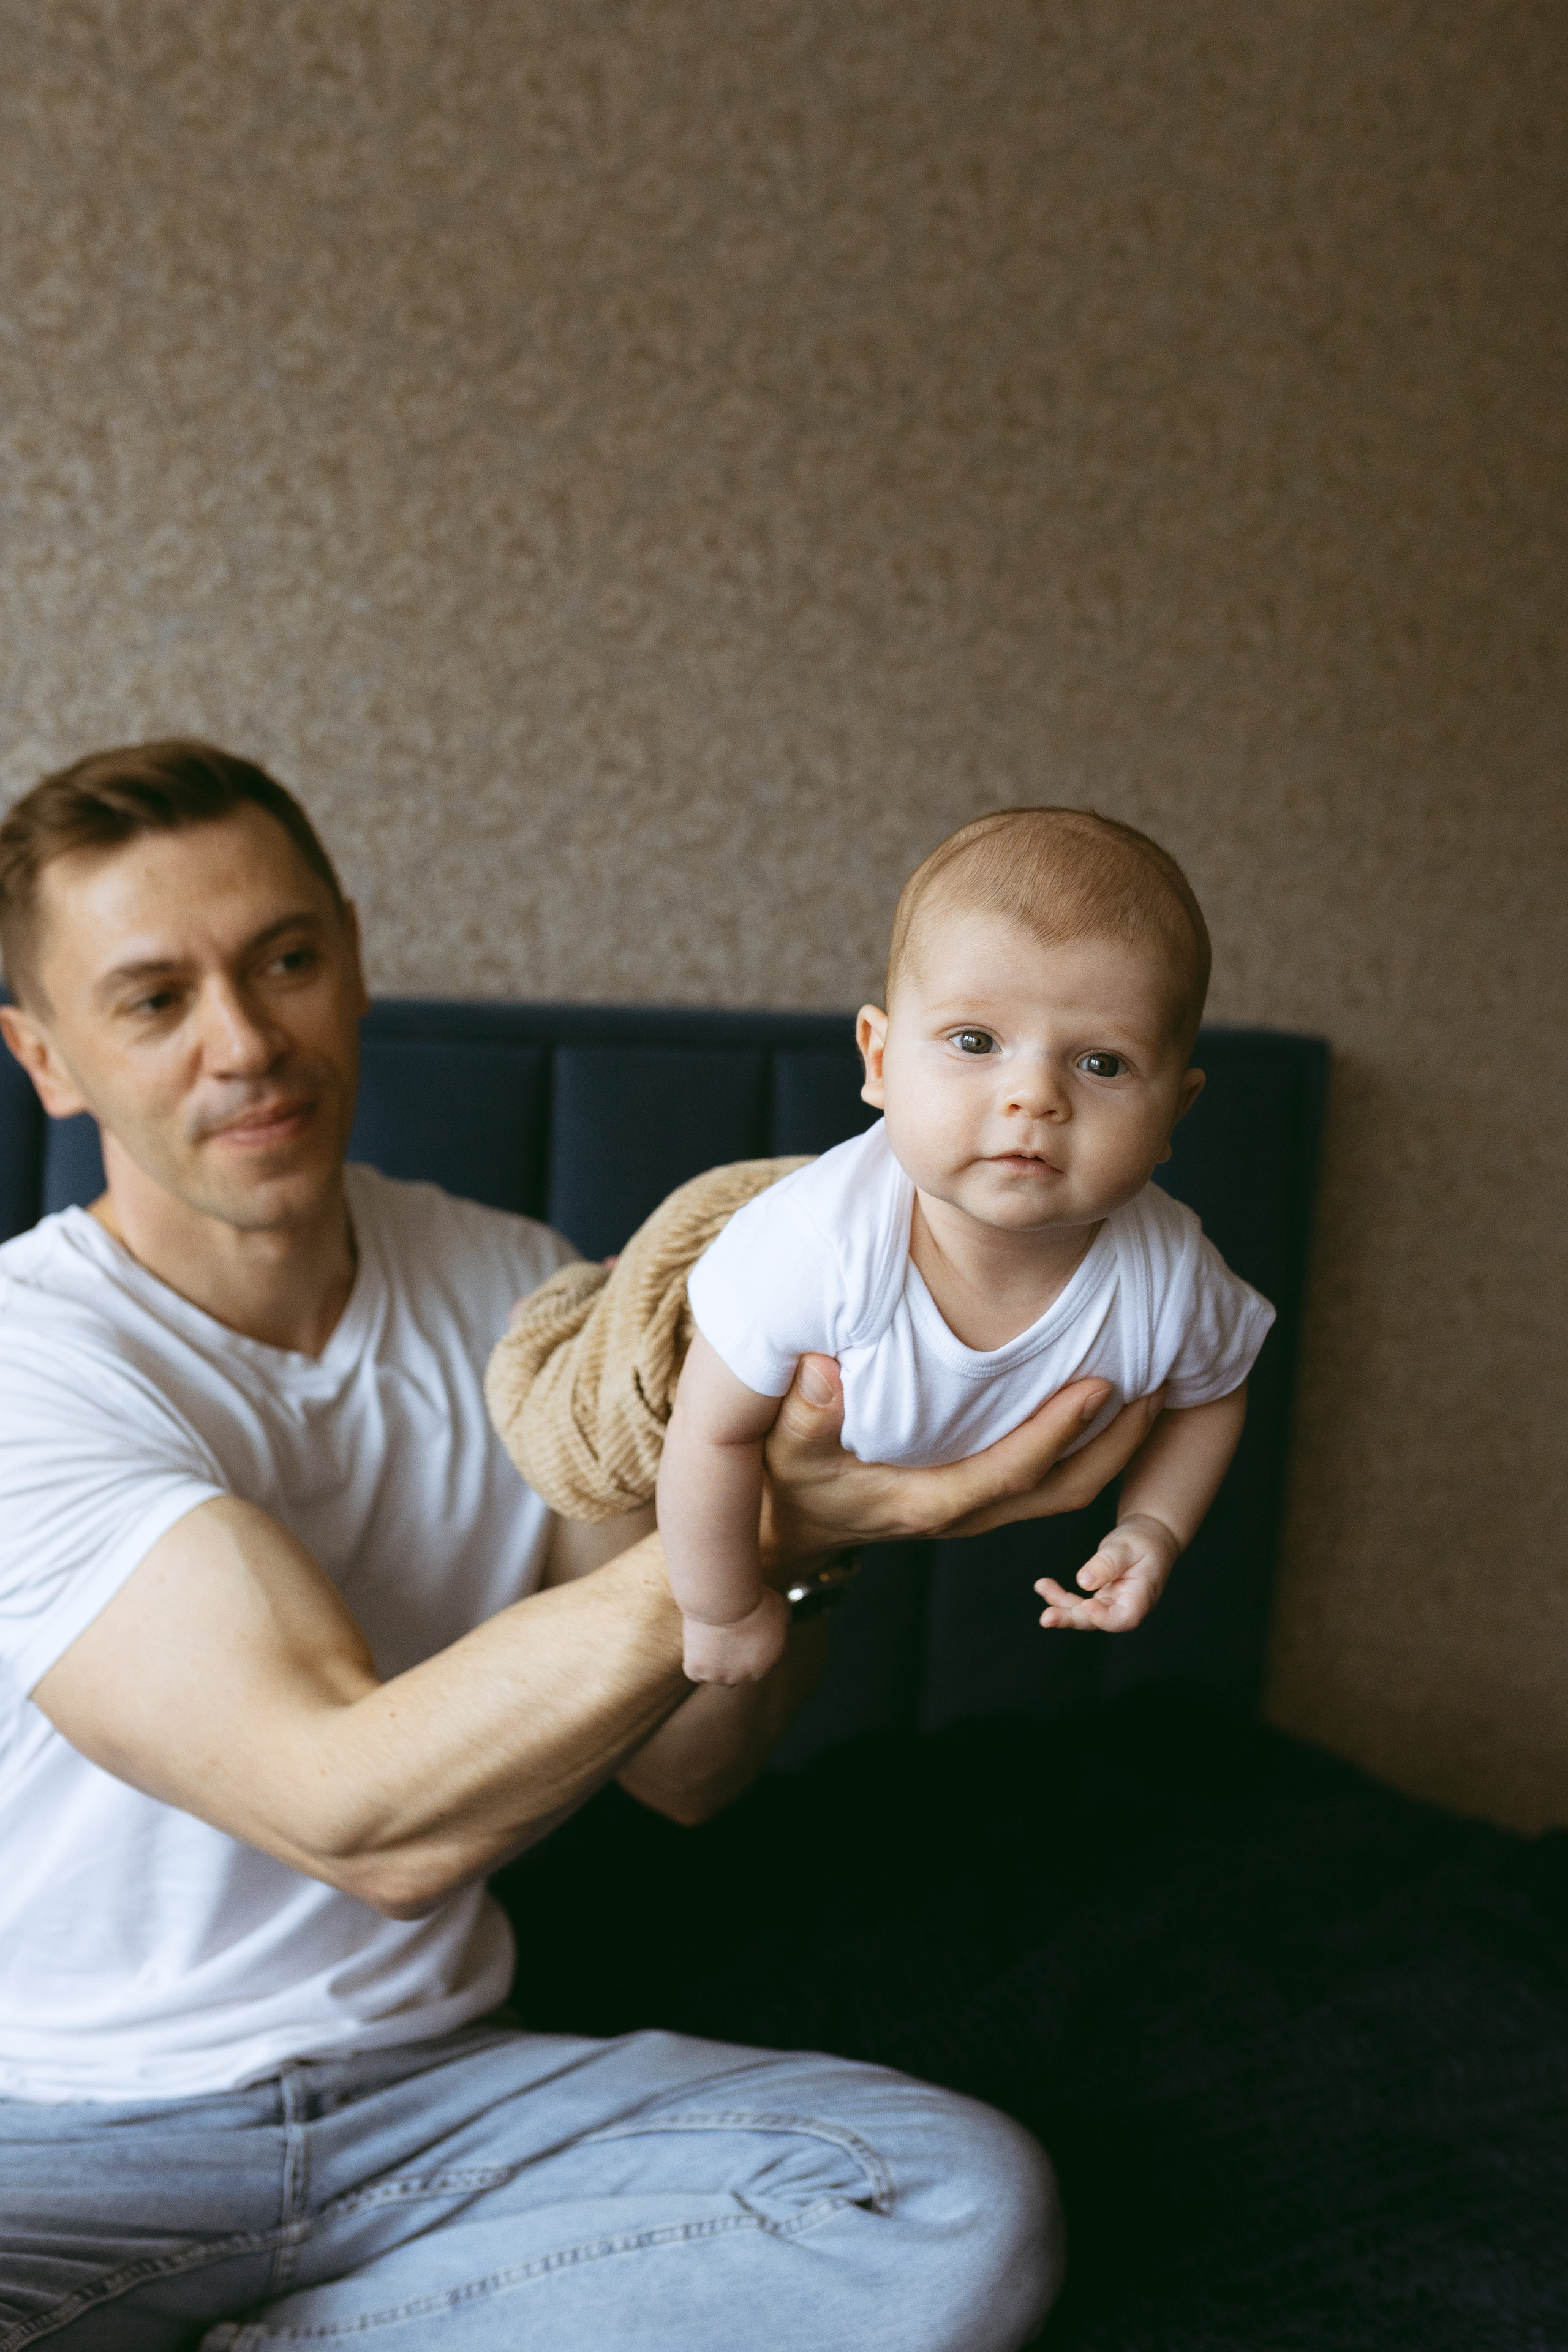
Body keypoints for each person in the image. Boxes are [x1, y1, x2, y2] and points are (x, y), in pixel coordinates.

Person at [0, 742, 1166, 2351]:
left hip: (442, 2106)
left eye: (284, 959)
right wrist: (765, 1521)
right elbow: (360, 1821)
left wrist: (803, 1487)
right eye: (153, 999)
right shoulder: (28, 1362)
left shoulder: (521, 1289)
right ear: (46, 1060)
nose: (248, 1042)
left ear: (349, 950)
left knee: (939, 2200)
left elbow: (690, 1769)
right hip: (58, 2138)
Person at [656, 807, 1274, 1683]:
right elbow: (707, 1438)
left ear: (1176, 1112)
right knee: (603, 1397)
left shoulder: (1170, 1278)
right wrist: (720, 1606)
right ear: (878, 1061)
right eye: (975, 1042)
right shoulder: (813, 1246)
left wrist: (1153, 1527)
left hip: (870, 1488)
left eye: (1101, 1063)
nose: (1034, 1096)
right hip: (687, 1415)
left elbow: (1214, 1395)